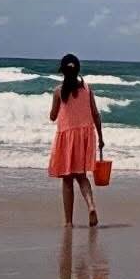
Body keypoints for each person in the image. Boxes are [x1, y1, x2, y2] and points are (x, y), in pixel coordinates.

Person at [48, 53, 104, 227]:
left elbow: (53, 116)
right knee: (82, 176)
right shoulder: (87, 89)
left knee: (67, 180)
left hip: (66, 138)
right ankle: (91, 206)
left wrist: (54, 111)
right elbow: (96, 114)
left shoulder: (58, 91)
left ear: (62, 71)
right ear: (78, 69)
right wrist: (101, 137)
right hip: (84, 137)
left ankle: (69, 222)